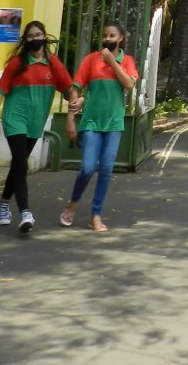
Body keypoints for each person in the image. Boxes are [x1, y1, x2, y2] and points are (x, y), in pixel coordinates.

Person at [0, 21, 78, 234]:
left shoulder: (53, 64)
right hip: (15, 119)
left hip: (35, 123)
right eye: (30, 36)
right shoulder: (16, 64)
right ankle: (25, 212)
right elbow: (0, 91)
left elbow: (70, 90)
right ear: (25, 40)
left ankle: (3, 205)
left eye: (38, 35)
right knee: (21, 163)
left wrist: (73, 111)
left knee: (18, 165)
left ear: (44, 37)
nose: (34, 39)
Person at [61, 21, 139, 233]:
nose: (107, 39)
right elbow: (76, 88)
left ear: (120, 38)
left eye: (112, 36)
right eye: (105, 36)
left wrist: (113, 62)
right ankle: (73, 202)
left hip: (114, 123)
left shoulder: (128, 61)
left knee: (106, 169)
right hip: (92, 122)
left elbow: (129, 84)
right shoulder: (90, 60)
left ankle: (95, 215)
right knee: (87, 167)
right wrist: (71, 117)